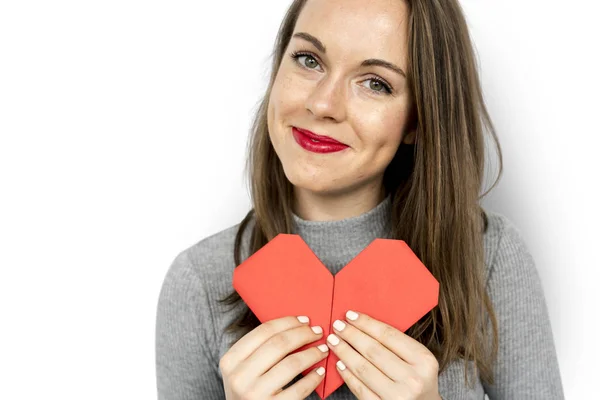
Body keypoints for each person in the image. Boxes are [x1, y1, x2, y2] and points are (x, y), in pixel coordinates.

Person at [155, 0, 564, 398]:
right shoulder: (198, 282)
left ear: (418, 121)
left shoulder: (490, 254)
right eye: (309, 59)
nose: (322, 104)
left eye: (375, 83)